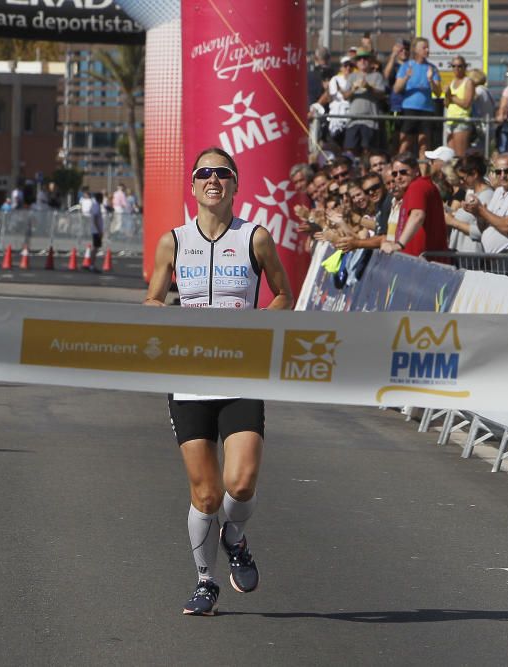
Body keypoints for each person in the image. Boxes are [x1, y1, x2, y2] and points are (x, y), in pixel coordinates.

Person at [144, 147, 292, 616]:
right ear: (192, 186)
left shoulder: (256, 237)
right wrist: (162, 317)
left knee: (241, 483)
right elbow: (152, 299)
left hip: (241, 371)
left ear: (235, 184)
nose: (213, 180)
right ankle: (206, 581)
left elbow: (284, 295)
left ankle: (236, 536)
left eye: (223, 174)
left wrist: (259, 325)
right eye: (204, 173)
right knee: (206, 495)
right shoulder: (173, 241)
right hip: (188, 377)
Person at [463, 152, 508, 256]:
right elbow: (483, 228)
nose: (502, 175)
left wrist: (481, 210)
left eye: (507, 171)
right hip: (494, 258)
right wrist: (477, 213)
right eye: (498, 172)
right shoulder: (498, 191)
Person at [380, 155, 447, 258]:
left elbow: (417, 215)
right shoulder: (415, 187)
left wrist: (399, 244)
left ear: (416, 171)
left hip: (426, 264)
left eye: (403, 172)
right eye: (395, 174)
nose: (398, 177)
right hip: (419, 262)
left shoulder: (417, 186)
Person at [394, 37, 441, 157]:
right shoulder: (406, 66)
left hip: (427, 110)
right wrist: (406, 77)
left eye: (427, 47)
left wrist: (430, 80)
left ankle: (424, 174)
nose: (427, 50)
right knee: (405, 143)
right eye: (424, 47)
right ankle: (399, 169)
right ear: (416, 49)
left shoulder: (432, 68)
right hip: (410, 108)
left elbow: (438, 92)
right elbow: (396, 89)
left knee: (424, 145)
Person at [445, 154, 493, 255]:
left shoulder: (487, 196)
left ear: (474, 174)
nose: (461, 181)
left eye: (462, 177)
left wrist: (453, 222)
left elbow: (482, 232)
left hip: (473, 259)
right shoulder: (472, 194)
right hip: (461, 257)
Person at [343, 51, 387, 154]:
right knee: (349, 150)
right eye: (359, 59)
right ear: (356, 63)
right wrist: (354, 89)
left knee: (367, 151)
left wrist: (369, 87)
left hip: (370, 121)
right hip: (353, 120)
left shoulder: (377, 76)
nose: (362, 61)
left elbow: (382, 95)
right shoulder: (352, 77)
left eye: (365, 58)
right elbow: (345, 96)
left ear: (370, 61)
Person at [443, 56, 474, 156]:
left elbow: (466, 103)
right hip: (450, 122)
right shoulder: (451, 82)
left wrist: (451, 96)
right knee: (450, 157)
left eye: (460, 66)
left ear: (465, 67)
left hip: (461, 122)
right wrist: (448, 95)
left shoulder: (468, 82)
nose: (457, 69)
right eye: (454, 66)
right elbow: (447, 104)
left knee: (460, 157)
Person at [468, 69, 494, 153]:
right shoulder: (487, 91)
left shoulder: (479, 90)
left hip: (481, 128)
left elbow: (471, 99)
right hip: (488, 126)